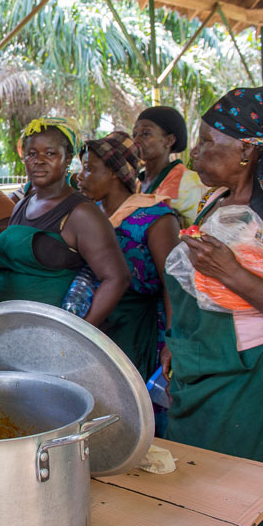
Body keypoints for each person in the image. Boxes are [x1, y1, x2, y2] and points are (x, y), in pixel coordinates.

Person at [163, 87, 263, 526]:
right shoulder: (217, 199)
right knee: (206, 509)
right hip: (205, 376)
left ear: (246, 150)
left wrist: (235, 274)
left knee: (253, 506)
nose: (195, 152)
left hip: (260, 386)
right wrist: (175, 339)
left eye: (206, 141)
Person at [0, 118, 130, 327]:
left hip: (53, 338)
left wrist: (77, 334)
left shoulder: (82, 213)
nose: (39, 160)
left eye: (50, 153)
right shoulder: (21, 205)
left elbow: (117, 279)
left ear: (67, 159)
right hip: (7, 330)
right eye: (32, 154)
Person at [76, 131, 179, 383]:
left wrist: (173, 340)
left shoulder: (155, 216)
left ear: (113, 172)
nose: (79, 176)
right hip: (96, 324)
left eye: (89, 169)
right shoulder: (86, 213)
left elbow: (173, 283)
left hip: (137, 329)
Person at [132, 106, 206, 226]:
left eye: (145, 134)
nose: (136, 140)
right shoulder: (138, 182)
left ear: (169, 140)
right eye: (134, 134)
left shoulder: (190, 183)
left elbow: (198, 229)